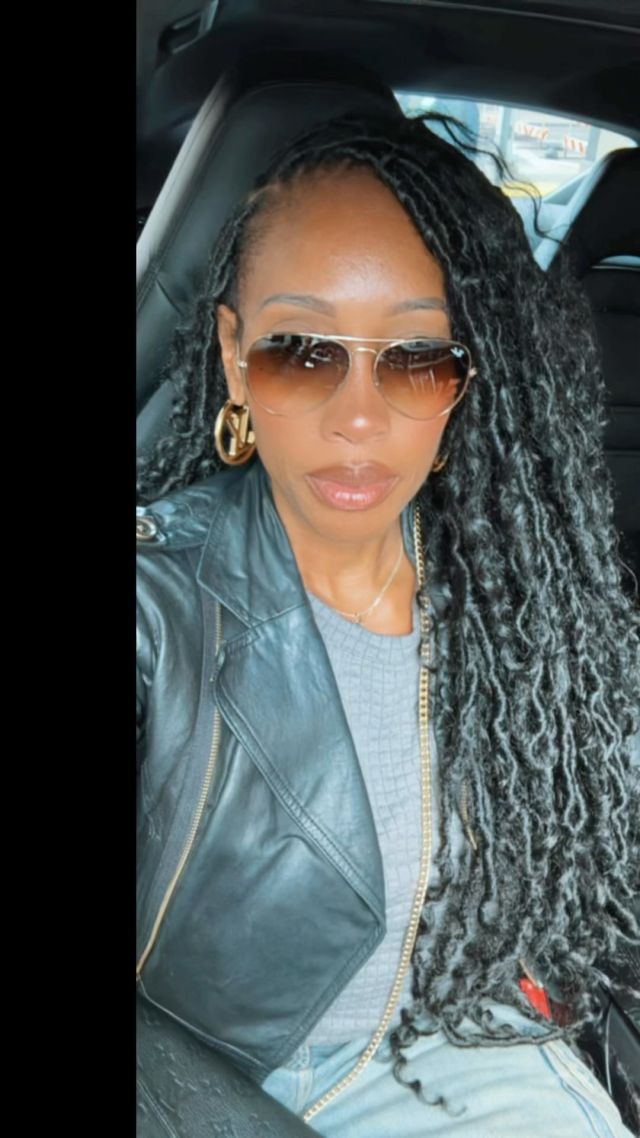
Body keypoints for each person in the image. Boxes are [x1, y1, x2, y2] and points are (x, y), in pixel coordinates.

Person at [136, 113, 639, 1137]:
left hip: (476, 1045)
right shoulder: (158, 606)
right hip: (221, 1089)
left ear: (464, 380)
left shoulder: (517, 598)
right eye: (300, 353)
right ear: (233, 357)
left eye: (413, 358)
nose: (358, 417)